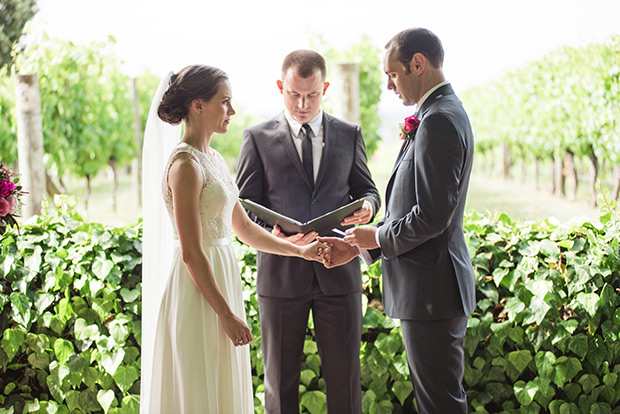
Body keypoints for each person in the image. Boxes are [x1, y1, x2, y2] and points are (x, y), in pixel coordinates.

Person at [140, 65, 329, 414]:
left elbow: (243, 228)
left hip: (221, 282)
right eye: (225, 102)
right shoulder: (185, 166)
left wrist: (299, 250)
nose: (232, 111)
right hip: (197, 291)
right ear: (198, 106)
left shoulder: (213, 159)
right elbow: (191, 253)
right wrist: (225, 314)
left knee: (222, 383)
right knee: (200, 385)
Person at [319, 28, 476, 413]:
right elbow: (414, 210)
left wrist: (375, 237)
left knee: (439, 404)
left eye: (392, 74)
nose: (389, 85)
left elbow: (432, 216)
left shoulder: (438, 119)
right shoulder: (437, 113)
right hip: (429, 291)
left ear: (417, 64)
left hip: (432, 293)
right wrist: (362, 245)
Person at [235, 50, 380, 413]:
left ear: (325, 88)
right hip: (281, 277)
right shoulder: (256, 138)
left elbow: (369, 190)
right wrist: (276, 235)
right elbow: (244, 205)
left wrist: (369, 207)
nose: (302, 104)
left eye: (312, 95)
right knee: (279, 385)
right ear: (281, 87)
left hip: (339, 274)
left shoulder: (349, 135)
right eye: (294, 94)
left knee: (345, 380)